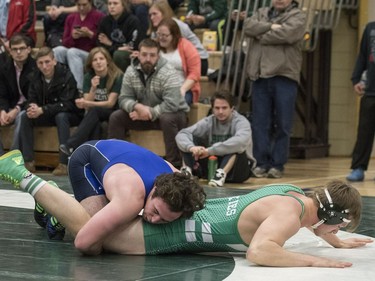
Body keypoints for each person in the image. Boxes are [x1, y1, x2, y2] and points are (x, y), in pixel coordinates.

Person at [0, 151, 372, 267]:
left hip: (176, 220)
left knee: (90, 223)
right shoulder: (290, 217)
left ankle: (46, 203)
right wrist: (316, 260)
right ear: (328, 218)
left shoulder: (292, 195)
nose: (335, 233)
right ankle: (20, 173)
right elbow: (260, 251)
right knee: (89, 236)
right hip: (160, 232)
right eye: (338, 228)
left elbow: (292, 219)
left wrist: (332, 241)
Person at [0, 139, 206, 250]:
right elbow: (84, 243)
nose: (154, 219)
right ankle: (26, 178)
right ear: (154, 190)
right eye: (155, 210)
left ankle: (53, 199)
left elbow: (194, 194)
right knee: (88, 230)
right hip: (87, 159)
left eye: (165, 220)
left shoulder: (177, 180)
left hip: (116, 156)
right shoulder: (131, 197)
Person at [244, 0, 305, 178]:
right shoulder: (261, 12)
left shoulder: (298, 16)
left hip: (284, 76)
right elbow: (248, 26)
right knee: (260, 124)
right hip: (259, 76)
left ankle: (277, 165)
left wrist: (260, 33)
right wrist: (272, 26)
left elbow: (288, 35)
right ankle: (261, 163)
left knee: (283, 125)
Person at [108, 38, 189, 168]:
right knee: (116, 117)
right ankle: (115, 161)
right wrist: (137, 106)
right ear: (138, 54)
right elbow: (123, 98)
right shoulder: (131, 71)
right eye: (144, 54)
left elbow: (172, 104)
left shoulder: (169, 72)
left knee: (167, 118)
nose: (148, 58)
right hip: (143, 114)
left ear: (158, 56)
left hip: (173, 115)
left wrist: (149, 113)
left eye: (152, 55)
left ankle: (174, 165)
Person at [15, 47, 83, 175]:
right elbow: (31, 98)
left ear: (54, 61)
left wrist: (43, 109)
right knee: (25, 116)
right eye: (41, 63)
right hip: (46, 113)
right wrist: (32, 107)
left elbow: (68, 103)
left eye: (47, 62)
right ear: (37, 64)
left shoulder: (66, 74)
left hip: (69, 114)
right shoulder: (35, 76)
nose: (44, 66)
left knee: (61, 116)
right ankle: (28, 162)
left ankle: (64, 163)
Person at [176, 91, 255, 187]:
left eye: (224, 108)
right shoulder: (209, 121)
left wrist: (210, 151)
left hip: (239, 168)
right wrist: (192, 148)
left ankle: (220, 175)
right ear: (212, 109)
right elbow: (182, 134)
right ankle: (186, 173)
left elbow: (240, 142)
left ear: (232, 108)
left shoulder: (241, 122)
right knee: (190, 139)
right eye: (217, 108)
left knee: (234, 146)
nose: (220, 111)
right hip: (213, 164)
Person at [59, 47, 123, 156]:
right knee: (95, 122)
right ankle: (93, 158)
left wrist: (88, 103)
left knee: (94, 111)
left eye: (101, 59)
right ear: (91, 64)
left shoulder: (117, 76)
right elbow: (87, 106)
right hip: (95, 113)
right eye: (95, 60)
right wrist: (93, 88)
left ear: (107, 61)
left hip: (113, 112)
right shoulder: (89, 77)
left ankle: (71, 144)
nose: (98, 62)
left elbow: (110, 103)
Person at [346, 22, 375, 182]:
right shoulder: (370, 28)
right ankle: (358, 168)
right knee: (364, 131)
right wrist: (356, 78)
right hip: (371, 89)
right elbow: (363, 55)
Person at [53, 0, 105, 91]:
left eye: (84, 5)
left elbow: (103, 42)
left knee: (72, 52)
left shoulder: (99, 16)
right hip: (73, 51)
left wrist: (90, 34)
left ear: (90, 3)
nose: (81, 8)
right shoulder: (71, 17)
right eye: (79, 5)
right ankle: (58, 85)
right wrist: (73, 37)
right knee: (57, 50)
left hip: (91, 53)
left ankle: (78, 89)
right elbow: (65, 42)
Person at [148, 0, 209, 76]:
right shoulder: (156, 29)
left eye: (155, 14)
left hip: (198, 61)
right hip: (179, 60)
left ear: (164, 13)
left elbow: (176, 50)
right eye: (150, 15)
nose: (152, 17)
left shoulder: (176, 25)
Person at [0, 34, 36, 155]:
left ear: (29, 49)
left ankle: (13, 156)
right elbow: (2, 94)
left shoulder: (36, 67)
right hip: (11, 106)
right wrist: (3, 110)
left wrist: (17, 109)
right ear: (10, 51)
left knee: (21, 116)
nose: (18, 52)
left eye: (22, 48)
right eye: (15, 49)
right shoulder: (5, 67)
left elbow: (33, 96)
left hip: (29, 106)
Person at [156, 18, 201, 105]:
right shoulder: (155, 46)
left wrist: (182, 89)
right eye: (159, 34)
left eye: (165, 35)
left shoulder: (187, 46)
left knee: (176, 103)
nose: (161, 38)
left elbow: (195, 74)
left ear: (174, 35)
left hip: (183, 88)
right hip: (159, 89)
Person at [97, 0, 146, 72]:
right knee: (95, 55)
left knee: (118, 55)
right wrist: (117, 47)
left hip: (129, 56)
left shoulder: (132, 21)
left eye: (115, 3)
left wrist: (110, 44)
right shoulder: (104, 21)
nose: (112, 6)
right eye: (109, 4)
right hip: (109, 53)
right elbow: (100, 44)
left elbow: (132, 47)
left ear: (123, 5)